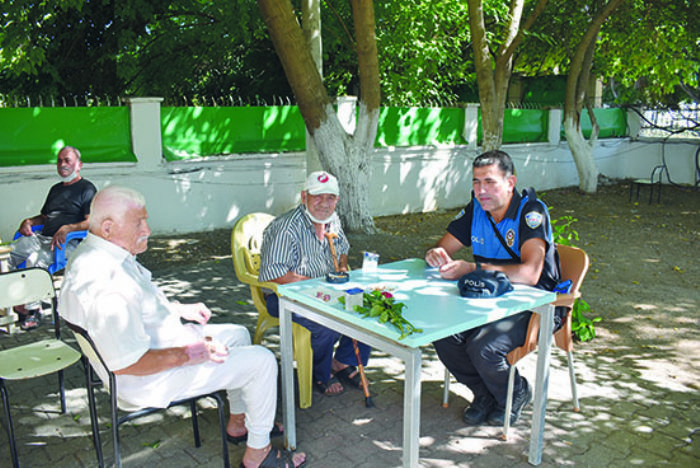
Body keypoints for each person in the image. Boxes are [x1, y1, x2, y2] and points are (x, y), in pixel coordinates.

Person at [58, 185, 306, 468]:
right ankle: (258, 455)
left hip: (157, 347)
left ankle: (239, 422)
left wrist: (177, 310)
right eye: (139, 222)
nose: (148, 230)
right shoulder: (107, 282)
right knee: (262, 361)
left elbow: (137, 306)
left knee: (239, 333)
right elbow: (128, 363)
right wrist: (193, 352)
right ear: (108, 227)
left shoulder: (96, 253)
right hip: (147, 378)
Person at [425, 150, 561, 427]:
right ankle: (485, 393)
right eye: (476, 182)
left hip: (537, 305)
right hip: (488, 300)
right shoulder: (477, 208)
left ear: (510, 182)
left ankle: (515, 391)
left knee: (483, 347)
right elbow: (444, 246)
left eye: (490, 182)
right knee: (443, 335)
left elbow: (530, 274)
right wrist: (436, 254)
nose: (481, 190)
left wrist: (473, 269)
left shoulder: (530, 212)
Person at [259, 171, 371, 396]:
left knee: (364, 306)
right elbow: (274, 274)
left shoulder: (332, 220)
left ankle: (342, 361)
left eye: (330, 197)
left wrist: (341, 266)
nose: (324, 203)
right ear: (304, 197)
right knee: (325, 324)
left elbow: (343, 250)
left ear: (337, 200)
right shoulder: (285, 228)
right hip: (283, 295)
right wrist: (319, 284)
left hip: (323, 290)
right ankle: (320, 373)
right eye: (317, 197)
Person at [9, 145, 96, 330]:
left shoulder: (86, 189)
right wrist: (29, 221)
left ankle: (34, 310)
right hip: (42, 237)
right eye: (59, 160)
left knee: (34, 260)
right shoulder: (55, 189)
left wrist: (68, 228)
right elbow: (45, 217)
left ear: (79, 165)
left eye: (67, 160)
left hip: (68, 242)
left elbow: (91, 222)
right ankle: (14, 302)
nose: (62, 164)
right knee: (9, 254)